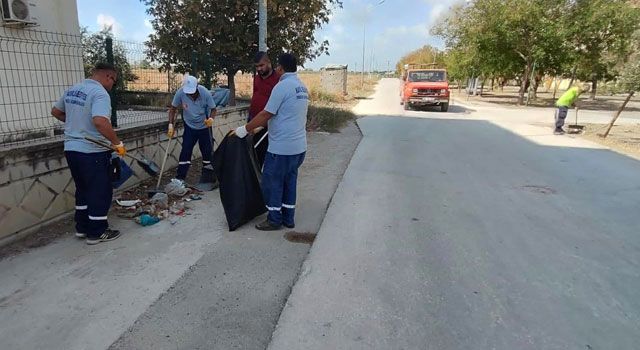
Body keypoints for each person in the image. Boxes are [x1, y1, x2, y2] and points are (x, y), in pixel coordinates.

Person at [51, 62, 124, 245]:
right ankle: (97, 232)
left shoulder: (73, 89)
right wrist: (117, 143)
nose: (111, 86)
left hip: (71, 150)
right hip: (92, 152)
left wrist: (77, 122)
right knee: (99, 190)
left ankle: (82, 228)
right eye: (113, 82)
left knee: (82, 189)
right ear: (109, 76)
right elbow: (100, 122)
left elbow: (56, 111)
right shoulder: (100, 93)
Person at [234, 53, 309, 231]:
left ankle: (274, 219)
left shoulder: (281, 87)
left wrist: (245, 129)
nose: (276, 69)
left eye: (277, 67)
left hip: (281, 148)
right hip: (299, 147)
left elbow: (267, 113)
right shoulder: (302, 87)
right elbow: (287, 114)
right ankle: (288, 218)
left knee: (272, 181)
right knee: (289, 181)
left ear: (281, 68)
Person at [168, 74, 217, 182]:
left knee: (207, 152)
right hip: (189, 126)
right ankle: (180, 177)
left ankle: (207, 178)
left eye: (192, 92)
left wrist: (211, 120)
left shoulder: (205, 93)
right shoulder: (181, 92)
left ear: (197, 87)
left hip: (205, 126)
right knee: (186, 150)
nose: (190, 95)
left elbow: (213, 109)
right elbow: (173, 109)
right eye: (188, 93)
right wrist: (170, 125)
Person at [249, 51, 281, 166]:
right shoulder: (257, 78)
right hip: (253, 118)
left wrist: (265, 123)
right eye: (257, 66)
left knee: (263, 152)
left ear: (269, 63)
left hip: (268, 123)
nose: (259, 69)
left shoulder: (278, 79)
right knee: (252, 152)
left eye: (261, 65)